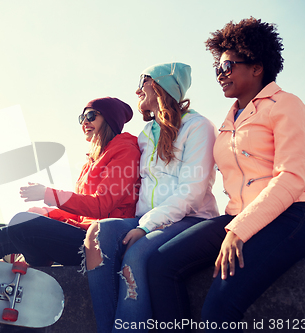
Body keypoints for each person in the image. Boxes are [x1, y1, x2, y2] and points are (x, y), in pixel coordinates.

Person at [147, 18, 305, 332]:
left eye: (227, 65)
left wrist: (239, 231)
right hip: (236, 219)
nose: (220, 73)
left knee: (218, 308)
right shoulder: (228, 120)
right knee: (160, 264)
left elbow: (291, 177)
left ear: (256, 67)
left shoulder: (286, 105)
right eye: (217, 66)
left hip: (291, 218)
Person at [84, 63, 218, 333]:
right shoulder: (146, 136)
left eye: (143, 81)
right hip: (146, 218)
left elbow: (192, 192)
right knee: (96, 235)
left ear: (160, 86)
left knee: (135, 255)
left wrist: (145, 227)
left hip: (189, 218)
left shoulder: (198, 127)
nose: (137, 89)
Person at [0, 97, 141, 267]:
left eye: (91, 116)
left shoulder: (125, 152)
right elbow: (80, 214)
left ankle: (34, 261)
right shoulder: (92, 160)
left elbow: (101, 205)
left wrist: (48, 194)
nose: (85, 122)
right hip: (83, 231)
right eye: (82, 118)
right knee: (3, 234)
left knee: (22, 224)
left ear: (109, 119)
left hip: (101, 240)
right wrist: (47, 213)